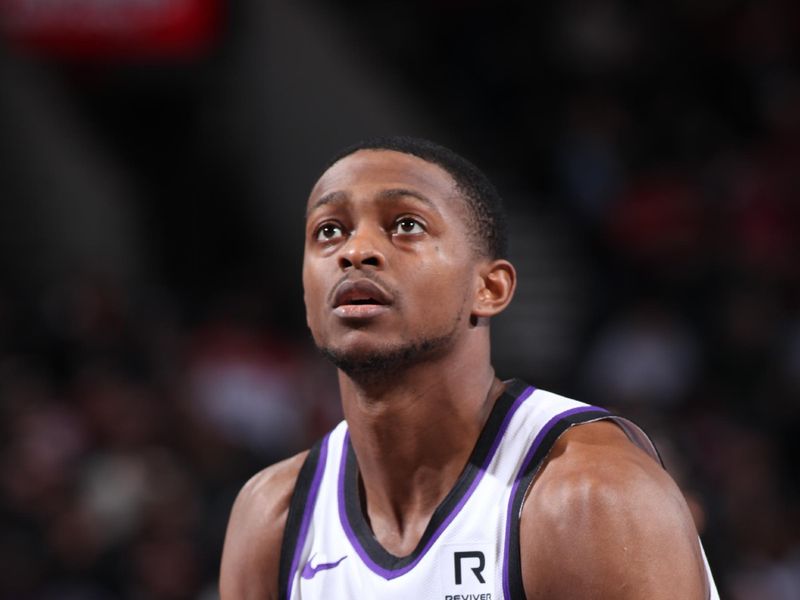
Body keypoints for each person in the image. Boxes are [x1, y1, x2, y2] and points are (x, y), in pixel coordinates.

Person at [219, 137, 719, 599]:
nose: (355, 251)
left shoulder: (589, 498)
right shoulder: (272, 518)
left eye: (406, 225)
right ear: (306, 295)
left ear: (491, 289)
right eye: (329, 231)